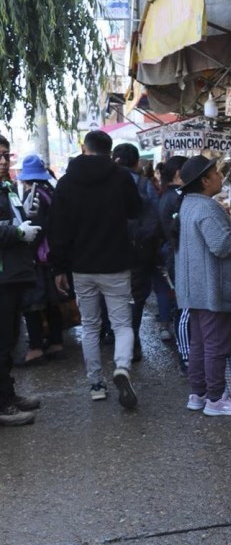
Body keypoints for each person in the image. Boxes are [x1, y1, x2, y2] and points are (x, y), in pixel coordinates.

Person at [49, 130, 141, 408]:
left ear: (84, 148)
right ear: (110, 150)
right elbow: (136, 210)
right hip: (115, 264)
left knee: (90, 326)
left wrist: (59, 268)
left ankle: (96, 384)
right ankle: (122, 367)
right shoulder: (121, 177)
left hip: (81, 267)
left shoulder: (66, 183)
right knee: (122, 323)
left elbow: (58, 230)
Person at [174, 155, 231, 416]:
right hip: (210, 287)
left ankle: (198, 393)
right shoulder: (206, 207)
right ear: (205, 181)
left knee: (200, 343)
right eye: (216, 173)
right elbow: (222, 245)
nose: (220, 176)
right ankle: (216, 400)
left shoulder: (189, 203)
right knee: (216, 343)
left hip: (193, 286)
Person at [0, 135, 42, 425]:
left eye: (5, 155)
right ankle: (3, 405)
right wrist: (16, 232)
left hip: (14, 275)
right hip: (3, 277)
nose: (3, 161)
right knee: (2, 343)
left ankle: (8, 394)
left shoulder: (7, 188)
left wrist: (24, 217)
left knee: (10, 340)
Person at [112, 143, 161, 361]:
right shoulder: (144, 183)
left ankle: (117, 337)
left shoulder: (106, 182)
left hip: (111, 250)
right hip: (138, 250)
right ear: (136, 161)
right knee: (136, 297)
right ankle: (131, 343)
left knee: (114, 295)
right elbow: (155, 215)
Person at [18, 154, 64, 365]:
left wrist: (28, 252)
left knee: (32, 304)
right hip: (52, 256)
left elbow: (36, 228)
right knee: (51, 303)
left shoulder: (33, 194)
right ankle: (56, 342)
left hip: (39, 258)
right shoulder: (49, 191)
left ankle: (36, 347)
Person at [157, 156, 189, 370]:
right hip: (177, 257)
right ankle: (186, 360)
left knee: (184, 307)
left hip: (174, 255)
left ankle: (187, 357)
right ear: (178, 174)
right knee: (185, 308)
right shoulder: (175, 198)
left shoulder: (170, 196)